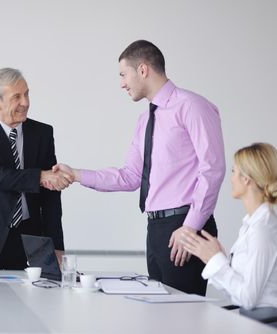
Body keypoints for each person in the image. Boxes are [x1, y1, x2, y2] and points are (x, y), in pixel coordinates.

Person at [52, 40, 225, 295]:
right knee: (159, 318)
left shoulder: (192, 106)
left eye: (124, 74)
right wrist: (76, 174)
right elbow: (130, 176)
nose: (122, 83)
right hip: (156, 229)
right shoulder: (145, 119)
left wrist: (190, 227)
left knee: (185, 319)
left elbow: (213, 169)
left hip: (185, 225)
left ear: (142, 69)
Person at [0, 68, 72, 270]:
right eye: (17, 97)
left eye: (27, 94)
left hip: (32, 237)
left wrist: (57, 243)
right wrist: (39, 176)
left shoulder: (42, 133)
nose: (25, 102)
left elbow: (51, 196)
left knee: (41, 298)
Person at [182, 143, 277, 319]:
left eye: (234, 171)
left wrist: (215, 260)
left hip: (262, 324)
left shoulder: (263, 229)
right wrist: (217, 260)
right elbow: (239, 291)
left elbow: (248, 298)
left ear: (247, 179)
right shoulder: (252, 225)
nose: (231, 178)